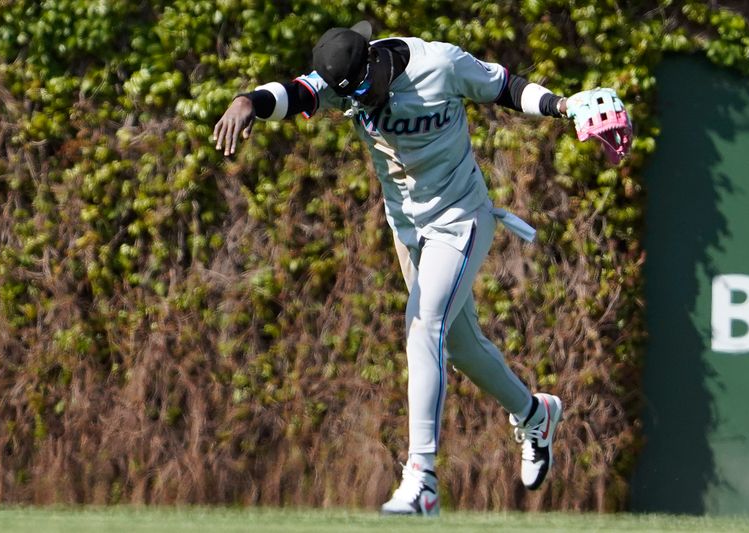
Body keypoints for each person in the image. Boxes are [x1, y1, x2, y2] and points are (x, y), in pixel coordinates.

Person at [214, 21, 569, 516]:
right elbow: (294, 92)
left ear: (374, 62)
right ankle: (535, 412)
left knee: (423, 328)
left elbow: (505, 86)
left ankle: (421, 478)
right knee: (461, 348)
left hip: (460, 218)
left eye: (363, 87)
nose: (361, 100)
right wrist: (246, 100)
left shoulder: (437, 64)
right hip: (408, 230)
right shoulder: (346, 81)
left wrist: (563, 106)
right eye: (348, 95)